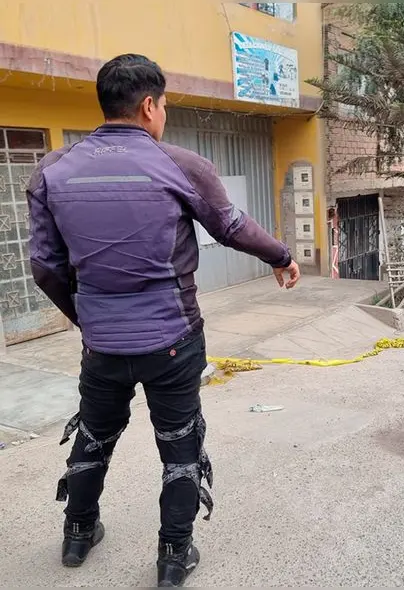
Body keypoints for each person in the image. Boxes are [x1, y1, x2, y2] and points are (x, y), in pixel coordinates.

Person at [26, 53, 300, 587]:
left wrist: (86, 319)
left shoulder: (52, 170)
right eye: (166, 106)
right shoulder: (179, 164)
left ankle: (78, 533)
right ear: (149, 105)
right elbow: (231, 226)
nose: (165, 115)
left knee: (94, 435)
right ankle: (174, 556)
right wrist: (281, 255)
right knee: (180, 443)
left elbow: (45, 267)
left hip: (102, 345)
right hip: (173, 340)